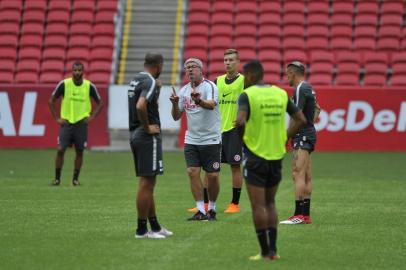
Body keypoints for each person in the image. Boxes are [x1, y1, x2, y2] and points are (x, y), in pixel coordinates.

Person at [235, 60, 306, 260]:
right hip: (276, 156)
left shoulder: (247, 95)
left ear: (249, 75)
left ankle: (265, 252)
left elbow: (240, 121)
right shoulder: (280, 93)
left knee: (258, 206)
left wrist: (243, 140)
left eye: (244, 75)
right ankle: (274, 251)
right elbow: (301, 119)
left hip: (255, 157)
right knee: (271, 203)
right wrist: (284, 137)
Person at [187, 49, 244, 214]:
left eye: (231, 60)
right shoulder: (217, 81)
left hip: (234, 130)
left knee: (235, 166)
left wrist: (244, 119)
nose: (227, 62)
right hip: (215, 131)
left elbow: (251, 101)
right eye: (225, 60)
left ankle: (235, 203)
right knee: (209, 169)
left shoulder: (244, 81)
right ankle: (205, 204)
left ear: (237, 62)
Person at [170, 58, 221, 221]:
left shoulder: (210, 87)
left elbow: (211, 104)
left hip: (211, 139)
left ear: (201, 69)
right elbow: (177, 117)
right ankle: (200, 210)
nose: (190, 70)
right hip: (192, 139)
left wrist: (198, 100)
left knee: (212, 176)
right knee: (192, 172)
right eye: (187, 68)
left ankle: (211, 208)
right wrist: (174, 103)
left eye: (193, 67)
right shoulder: (184, 91)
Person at [128, 53, 173, 239]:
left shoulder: (136, 79)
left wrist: (158, 90)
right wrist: (148, 127)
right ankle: (141, 230)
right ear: (158, 65)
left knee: (148, 183)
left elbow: (146, 103)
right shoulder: (150, 81)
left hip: (135, 134)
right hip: (146, 136)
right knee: (147, 184)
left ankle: (154, 226)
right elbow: (140, 106)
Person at [49, 61, 104, 186]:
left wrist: (92, 116)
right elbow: (51, 101)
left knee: (79, 152)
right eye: (75, 70)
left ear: (83, 71)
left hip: (81, 124)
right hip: (66, 123)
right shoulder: (64, 84)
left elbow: (101, 103)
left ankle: (75, 179)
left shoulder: (89, 86)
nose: (77, 72)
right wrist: (57, 118)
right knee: (60, 150)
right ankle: (57, 178)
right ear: (72, 71)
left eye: (79, 70)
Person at [280, 61, 320, 225]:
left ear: (292, 73)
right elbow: (318, 108)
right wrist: (310, 122)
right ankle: (306, 215)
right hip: (308, 133)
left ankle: (298, 215)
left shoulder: (299, 89)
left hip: (302, 135)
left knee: (297, 173)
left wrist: (287, 136)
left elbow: (296, 117)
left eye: (287, 74)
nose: (286, 77)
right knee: (306, 175)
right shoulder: (308, 88)